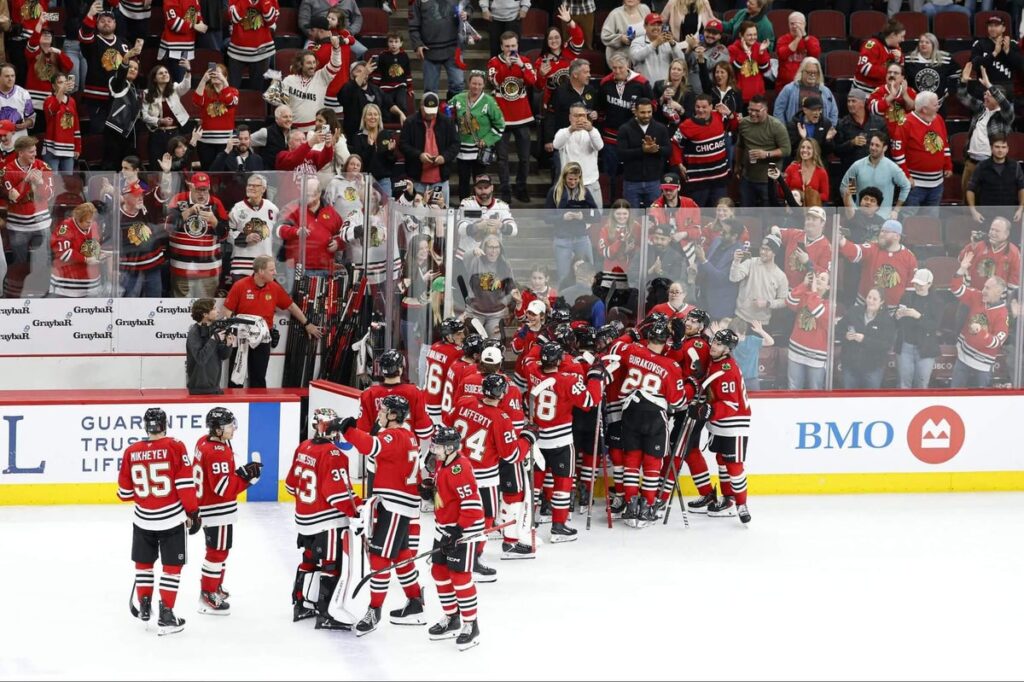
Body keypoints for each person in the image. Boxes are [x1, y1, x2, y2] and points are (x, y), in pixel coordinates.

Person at [335, 397, 427, 635]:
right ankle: (415, 603)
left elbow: (370, 446)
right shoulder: (408, 435)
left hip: (395, 505)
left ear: (394, 415)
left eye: (384, 411)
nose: (379, 414)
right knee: (401, 555)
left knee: (379, 557)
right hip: (401, 503)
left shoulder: (394, 436)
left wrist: (348, 430)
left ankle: (374, 611)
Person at [117, 408, 200, 635]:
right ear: (165, 425)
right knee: (171, 568)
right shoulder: (175, 446)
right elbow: (185, 485)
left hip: (142, 520)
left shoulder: (131, 451)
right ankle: (166, 614)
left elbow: (124, 493)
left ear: (146, 426)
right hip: (171, 520)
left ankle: (144, 606)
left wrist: (148, 498)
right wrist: (193, 512)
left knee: (143, 564)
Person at [285, 409, 360, 628]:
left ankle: (302, 605)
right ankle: (327, 613)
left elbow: (290, 486)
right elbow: (338, 494)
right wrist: (358, 508)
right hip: (328, 523)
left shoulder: (304, 446)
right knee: (331, 565)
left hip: (304, 519)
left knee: (309, 560)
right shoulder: (333, 454)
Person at [522, 342, 604, 538]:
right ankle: (558, 526)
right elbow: (590, 401)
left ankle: (526, 523)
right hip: (561, 441)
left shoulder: (532, 371)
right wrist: (595, 376)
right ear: (559, 361)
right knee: (563, 483)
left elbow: (528, 358)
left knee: (534, 485)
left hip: (537, 441)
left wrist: (542, 341)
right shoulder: (567, 381)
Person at [610, 322, 684, 527]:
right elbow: (678, 401)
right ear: (666, 341)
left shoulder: (633, 350)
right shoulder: (671, 366)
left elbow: (615, 347)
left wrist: (633, 334)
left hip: (630, 413)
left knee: (631, 461)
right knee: (652, 463)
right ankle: (647, 508)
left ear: (648, 336)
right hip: (654, 416)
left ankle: (630, 506)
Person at [421, 426, 485, 650]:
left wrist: (457, 531)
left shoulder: (461, 468)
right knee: (439, 571)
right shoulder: (442, 463)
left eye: (438, 446)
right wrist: (430, 491)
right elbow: (447, 496)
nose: (434, 449)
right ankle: (452, 618)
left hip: (464, 531)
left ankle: (471, 624)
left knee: (460, 576)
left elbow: (473, 506)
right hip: (444, 528)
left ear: (450, 448)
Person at [193, 407, 262, 614]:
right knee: (217, 553)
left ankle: (215, 587)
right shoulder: (218, 451)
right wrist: (247, 478)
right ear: (217, 429)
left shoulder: (203, 442)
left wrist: (240, 473)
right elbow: (223, 488)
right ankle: (208, 594)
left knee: (220, 551)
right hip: (217, 511)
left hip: (207, 506)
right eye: (229, 425)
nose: (233, 428)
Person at [223, 255, 322, 386]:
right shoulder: (240, 286)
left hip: (263, 337)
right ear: (260, 271)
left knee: (259, 378)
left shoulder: (274, 287)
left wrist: (307, 323)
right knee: (236, 376)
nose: (275, 272)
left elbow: (291, 306)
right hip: (242, 337)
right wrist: (234, 330)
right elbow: (227, 311)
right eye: (271, 270)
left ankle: (258, 400)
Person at [687, 328, 751, 523]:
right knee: (721, 460)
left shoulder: (727, 370)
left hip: (734, 423)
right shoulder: (715, 362)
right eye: (714, 341)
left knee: (734, 466)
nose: (714, 346)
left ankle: (741, 504)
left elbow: (731, 404)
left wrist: (707, 411)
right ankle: (727, 499)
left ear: (727, 349)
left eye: (719, 344)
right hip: (718, 423)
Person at [487, 32, 536, 205]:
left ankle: (521, 188)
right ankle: (505, 190)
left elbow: (532, 81)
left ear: (517, 45)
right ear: (501, 47)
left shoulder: (525, 61)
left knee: (524, 158)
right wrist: (505, 67)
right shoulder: (494, 62)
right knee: (502, 158)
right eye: (507, 46)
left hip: (522, 117)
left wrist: (521, 66)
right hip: (502, 118)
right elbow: (494, 82)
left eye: (513, 46)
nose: (510, 49)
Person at [597, 53, 653, 203]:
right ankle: (610, 204)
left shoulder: (642, 83)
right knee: (609, 175)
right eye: (614, 68)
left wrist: (640, 113)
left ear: (627, 65)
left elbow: (653, 106)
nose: (617, 71)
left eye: (620, 68)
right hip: (610, 138)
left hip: (633, 138)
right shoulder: (605, 83)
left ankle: (629, 205)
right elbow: (600, 109)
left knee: (631, 175)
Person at [3, 134, 53, 298]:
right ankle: (20, 293)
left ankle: (41, 293)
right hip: (18, 225)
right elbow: (14, 198)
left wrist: (39, 183)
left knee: (42, 261)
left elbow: (49, 195)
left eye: (35, 150)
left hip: (41, 223)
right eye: (31, 151)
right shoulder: (8, 170)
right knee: (20, 264)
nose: (35, 154)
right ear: (20, 152)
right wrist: (26, 180)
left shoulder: (43, 166)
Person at [958, 62, 1015, 198]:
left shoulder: (1005, 116)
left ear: (998, 98)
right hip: (971, 163)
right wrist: (963, 81)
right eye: (985, 94)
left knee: (987, 200)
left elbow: (1006, 104)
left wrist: (989, 85)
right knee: (967, 200)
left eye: (988, 95)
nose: (985, 97)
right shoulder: (981, 109)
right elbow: (962, 96)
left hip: (991, 165)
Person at [669, 93, 734, 208]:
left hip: (719, 178)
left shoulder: (719, 116)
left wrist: (729, 113)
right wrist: (679, 164)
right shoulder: (686, 126)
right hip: (698, 181)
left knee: (720, 213)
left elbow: (735, 126)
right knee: (696, 213)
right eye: (697, 107)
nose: (700, 110)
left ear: (711, 107)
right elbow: (675, 144)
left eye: (704, 107)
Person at [891, 91, 952, 212]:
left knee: (931, 221)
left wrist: (948, 165)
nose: (938, 107)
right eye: (935, 105)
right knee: (910, 220)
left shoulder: (939, 119)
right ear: (924, 109)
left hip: (937, 184)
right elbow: (897, 153)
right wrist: (906, 176)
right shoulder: (905, 122)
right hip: (914, 185)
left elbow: (944, 144)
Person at [839, 218, 919, 310]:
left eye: (886, 232)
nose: (881, 234)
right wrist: (841, 239)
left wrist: (903, 308)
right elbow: (854, 251)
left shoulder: (909, 257)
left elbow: (911, 287)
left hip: (893, 309)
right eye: (881, 231)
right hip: (865, 304)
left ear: (896, 236)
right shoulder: (873, 248)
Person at [450, 70, 505, 201]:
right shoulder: (458, 99)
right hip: (462, 150)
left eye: (479, 84)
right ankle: (464, 205)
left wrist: (487, 140)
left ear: (484, 85)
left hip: (480, 150)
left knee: (480, 183)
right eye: (474, 83)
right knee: (463, 181)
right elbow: (447, 117)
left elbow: (500, 125)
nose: (476, 87)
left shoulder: (489, 101)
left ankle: (480, 205)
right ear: (468, 83)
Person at [400, 92, 461, 207]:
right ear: (421, 107)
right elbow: (403, 145)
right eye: (428, 112)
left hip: (440, 179)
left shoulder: (447, 122)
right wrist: (419, 155)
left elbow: (456, 144)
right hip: (417, 179)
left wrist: (444, 157)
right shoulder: (410, 122)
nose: (431, 115)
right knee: (416, 213)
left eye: (433, 112)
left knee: (440, 213)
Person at [77, 3, 128, 134]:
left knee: (117, 134)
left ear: (115, 23)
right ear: (97, 24)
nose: (106, 23)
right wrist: (90, 15)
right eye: (102, 21)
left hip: (118, 97)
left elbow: (131, 67)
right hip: (96, 97)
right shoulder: (93, 41)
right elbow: (85, 35)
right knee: (99, 132)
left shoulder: (123, 43)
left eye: (109, 21)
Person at [546, 161, 598, 285]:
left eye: (576, 179)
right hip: (562, 239)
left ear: (580, 178)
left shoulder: (585, 192)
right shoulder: (554, 191)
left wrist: (583, 216)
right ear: (564, 177)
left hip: (581, 238)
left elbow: (597, 216)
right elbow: (546, 217)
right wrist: (562, 217)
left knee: (588, 274)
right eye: (570, 179)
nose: (573, 182)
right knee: (563, 276)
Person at [735, 94, 790, 208]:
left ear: (765, 110)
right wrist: (737, 165)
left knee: (767, 214)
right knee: (745, 212)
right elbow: (740, 146)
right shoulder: (744, 123)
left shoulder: (776, 126)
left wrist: (766, 154)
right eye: (750, 109)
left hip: (768, 180)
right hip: (747, 178)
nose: (753, 113)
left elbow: (786, 150)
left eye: (757, 111)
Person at [839, 133, 910, 219]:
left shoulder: (892, 168)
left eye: (877, 145)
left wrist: (896, 210)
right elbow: (845, 187)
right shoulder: (858, 166)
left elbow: (906, 185)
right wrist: (853, 208)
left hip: (884, 218)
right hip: (859, 219)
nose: (873, 148)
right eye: (872, 144)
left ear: (885, 148)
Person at [617, 97, 670, 209]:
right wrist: (642, 150)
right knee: (632, 217)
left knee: (655, 217)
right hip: (631, 182)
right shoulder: (624, 129)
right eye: (642, 112)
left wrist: (656, 149)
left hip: (654, 181)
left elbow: (668, 150)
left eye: (649, 112)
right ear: (635, 111)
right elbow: (621, 154)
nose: (646, 115)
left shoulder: (661, 128)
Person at [839, 287, 896, 389]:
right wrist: (845, 335)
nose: (870, 301)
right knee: (849, 397)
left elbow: (886, 345)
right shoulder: (854, 311)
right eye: (869, 297)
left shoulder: (887, 320)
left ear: (881, 302)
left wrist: (864, 340)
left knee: (871, 398)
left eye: (875, 299)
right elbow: (838, 329)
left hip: (873, 370)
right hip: (850, 367)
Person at [281, 37, 342, 132]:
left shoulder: (321, 77)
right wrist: (274, 88)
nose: (313, 66)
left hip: (317, 129)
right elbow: (280, 103)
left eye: (314, 62)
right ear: (301, 64)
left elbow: (335, 65)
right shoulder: (289, 80)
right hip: (294, 131)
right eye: (309, 63)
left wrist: (336, 49)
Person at [895, 268, 943, 389]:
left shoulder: (937, 302)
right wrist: (897, 316)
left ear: (929, 284)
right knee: (904, 383)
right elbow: (897, 321)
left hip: (926, 348)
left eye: (921, 285)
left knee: (922, 384)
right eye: (916, 283)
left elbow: (934, 326)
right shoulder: (906, 297)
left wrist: (918, 316)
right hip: (906, 346)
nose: (917, 287)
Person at [119, 181, 168, 297]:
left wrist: (166, 175)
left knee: (155, 298)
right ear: (125, 198)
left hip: (152, 264)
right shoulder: (117, 216)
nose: (140, 198)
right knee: (129, 301)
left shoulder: (146, 205)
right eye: (136, 195)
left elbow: (162, 192)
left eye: (141, 194)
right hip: (130, 269)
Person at [409, 0, 465, 99]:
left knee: (458, 85)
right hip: (429, 51)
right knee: (430, 91)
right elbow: (413, 25)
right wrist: (417, 44)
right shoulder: (417, 2)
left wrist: (467, 14)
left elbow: (467, 6)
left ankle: (453, 108)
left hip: (454, 49)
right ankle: (432, 109)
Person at [142, 63, 192, 171]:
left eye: (166, 72)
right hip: (157, 135)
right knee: (157, 166)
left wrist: (188, 71)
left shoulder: (174, 88)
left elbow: (186, 86)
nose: (164, 74)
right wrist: (160, 120)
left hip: (175, 135)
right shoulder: (147, 93)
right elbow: (144, 115)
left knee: (176, 165)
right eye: (160, 73)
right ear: (154, 78)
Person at [785, 269, 831, 390]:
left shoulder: (830, 305)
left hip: (817, 356)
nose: (819, 280)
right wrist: (804, 284)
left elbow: (817, 311)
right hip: (796, 350)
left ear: (828, 286)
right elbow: (789, 302)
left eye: (823, 279)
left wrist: (814, 292)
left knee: (815, 390)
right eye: (818, 277)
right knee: (793, 388)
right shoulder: (805, 295)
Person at [730, 233, 788, 327]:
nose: (763, 252)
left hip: (761, 323)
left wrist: (768, 303)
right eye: (762, 248)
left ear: (774, 253)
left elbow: (784, 301)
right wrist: (736, 262)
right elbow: (734, 278)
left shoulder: (781, 276)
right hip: (740, 317)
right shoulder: (750, 262)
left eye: (767, 249)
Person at [225, 174, 276, 282]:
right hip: (241, 266)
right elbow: (227, 233)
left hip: (264, 266)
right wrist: (245, 238)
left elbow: (275, 234)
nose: (251, 188)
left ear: (263, 189)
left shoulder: (272, 208)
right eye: (249, 185)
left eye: (255, 185)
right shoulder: (238, 208)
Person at [832, 90, 887, 188]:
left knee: (872, 196)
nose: (850, 104)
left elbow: (886, 146)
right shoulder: (842, 124)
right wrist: (851, 143)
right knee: (851, 196)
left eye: (853, 101)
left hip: (874, 172)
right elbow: (836, 150)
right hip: (851, 174)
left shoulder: (878, 122)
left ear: (862, 102)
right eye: (848, 101)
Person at [553, 102, 603, 207]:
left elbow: (599, 146)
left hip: (590, 183)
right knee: (570, 216)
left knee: (596, 215)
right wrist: (571, 129)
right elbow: (556, 145)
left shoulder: (593, 132)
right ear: (570, 117)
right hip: (570, 185)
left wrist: (590, 129)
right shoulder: (563, 132)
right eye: (576, 116)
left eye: (582, 115)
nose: (579, 119)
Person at [49, 202, 103, 298]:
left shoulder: (93, 225)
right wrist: (85, 259)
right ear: (78, 219)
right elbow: (62, 252)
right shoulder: (66, 227)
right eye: (87, 222)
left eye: (92, 221)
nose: (90, 224)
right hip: (68, 282)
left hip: (91, 280)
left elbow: (96, 244)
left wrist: (101, 254)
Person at [464, 234, 516, 337]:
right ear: (484, 248)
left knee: (494, 341)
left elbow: (511, 289)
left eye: (496, 247)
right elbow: (465, 258)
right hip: (475, 311)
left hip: (496, 314)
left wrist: (504, 303)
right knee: (474, 340)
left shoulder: (505, 265)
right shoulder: (476, 261)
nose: (493, 251)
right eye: (490, 247)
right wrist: (473, 252)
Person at [102, 42, 143, 171]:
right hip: (115, 131)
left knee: (129, 169)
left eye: (136, 69)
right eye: (130, 67)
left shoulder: (135, 89)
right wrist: (125, 59)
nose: (133, 70)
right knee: (113, 167)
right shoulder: (116, 82)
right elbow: (120, 77)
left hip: (129, 134)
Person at [193, 63, 239, 170]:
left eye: (218, 73)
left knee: (225, 172)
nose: (215, 75)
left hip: (225, 142)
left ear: (225, 76)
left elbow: (229, 101)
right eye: (213, 73)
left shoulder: (233, 91)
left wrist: (224, 83)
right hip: (205, 142)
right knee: (208, 171)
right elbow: (196, 101)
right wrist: (203, 80)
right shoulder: (205, 91)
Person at [957, 217, 1021, 294]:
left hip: (998, 297)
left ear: (1006, 234)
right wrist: (972, 246)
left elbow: (1014, 280)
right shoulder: (979, 245)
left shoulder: (1014, 252)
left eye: (997, 231)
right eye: (991, 229)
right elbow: (961, 259)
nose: (993, 233)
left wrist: (1010, 299)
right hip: (974, 294)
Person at [967, 137, 1024, 222]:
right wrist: (973, 211)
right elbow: (970, 189)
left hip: (1010, 215)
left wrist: (1020, 209)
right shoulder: (981, 166)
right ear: (991, 148)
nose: (1000, 150)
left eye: (1003, 147)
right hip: (986, 215)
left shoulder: (1015, 166)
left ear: (1007, 149)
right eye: (997, 147)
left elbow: (1022, 188)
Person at [694, 218, 742, 320]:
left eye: (724, 232)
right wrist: (696, 266)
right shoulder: (717, 241)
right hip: (704, 294)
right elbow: (707, 258)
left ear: (734, 236)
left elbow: (721, 278)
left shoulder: (739, 253)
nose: (721, 233)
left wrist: (703, 260)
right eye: (721, 230)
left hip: (720, 303)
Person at [226, 0, 279, 91]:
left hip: (262, 50)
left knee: (257, 92)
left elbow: (270, 20)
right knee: (232, 89)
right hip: (237, 50)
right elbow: (234, 18)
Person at [185, 298, 234, 394]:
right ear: (205, 314)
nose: (218, 311)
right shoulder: (194, 333)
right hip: (198, 390)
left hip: (215, 387)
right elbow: (200, 359)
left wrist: (228, 345)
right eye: (214, 309)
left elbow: (223, 356)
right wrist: (213, 339)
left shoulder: (214, 330)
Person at [629, 13, 686, 86]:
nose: (656, 27)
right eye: (653, 25)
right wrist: (655, 43)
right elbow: (636, 57)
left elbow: (681, 61)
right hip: (645, 87)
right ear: (645, 26)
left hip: (665, 87)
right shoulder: (637, 41)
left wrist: (673, 45)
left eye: (659, 25)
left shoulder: (669, 42)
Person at [852, 19, 905, 97]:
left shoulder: (896, 48)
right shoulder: (872, 45)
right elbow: (864, 68)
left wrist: (899, 60)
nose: (903, 40)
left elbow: (901, 71)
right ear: (893, 35)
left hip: (883, 92)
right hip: (865, 93)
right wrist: (890, 72)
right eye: (901, 36)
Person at [969, 15, 1021, 92]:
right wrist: (994, 53)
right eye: (990, 26)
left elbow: (1020, 66)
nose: (993, 28)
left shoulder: (1012, 44)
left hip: (1008, 85)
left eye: (996, 26)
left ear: (1003, 28)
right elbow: (975, 65)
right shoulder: (979, 44)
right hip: (985, 86)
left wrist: (1008, 52)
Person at [337, 61, 387, 142]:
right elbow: (350, 90)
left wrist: (400, 113)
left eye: (365, 71)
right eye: (359, 71)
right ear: (351, 74)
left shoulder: (375, 89)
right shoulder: (347, 88)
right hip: (354, 135)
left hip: (374, 133)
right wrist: (364, 72)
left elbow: (388, 103)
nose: (364, 74)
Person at [867, 62, 918, 140]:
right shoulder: (879, 91)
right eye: (889, 72)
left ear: (902, 78)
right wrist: (891, 96)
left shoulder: (910, 91)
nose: (892, 75)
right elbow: (872, 109)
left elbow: (915, 109)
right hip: (884, 136)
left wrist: (905, 95)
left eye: (896, 73)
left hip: (905, 135)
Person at [40, 73, 79, 173]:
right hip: (52, 149)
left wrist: (78, 147)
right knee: (52, 180)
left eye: (65, 82)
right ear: (53, 86)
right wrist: (61, 91)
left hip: (68, 149)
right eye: (60, 82)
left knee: (67, 180)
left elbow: (76, 126)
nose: (63, 85)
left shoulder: (72, 101)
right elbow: (53, 109)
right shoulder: (48, 100)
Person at [905, 33, 957, 106]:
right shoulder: (909, 59)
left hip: (938, 103)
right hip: (915, 103)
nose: (923, 44)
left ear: (934, 45)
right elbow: (902, 76)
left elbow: (956, 74)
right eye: (921, 42)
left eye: (927, 42)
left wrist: (949, 90)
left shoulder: (946, 60)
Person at [159, 0, 207, 81]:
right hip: (174, 49)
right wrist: (194, 26)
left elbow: (192, 15)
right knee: (179, 83)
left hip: (187, 47)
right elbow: (173, 23)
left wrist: (200, 22)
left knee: (185, 82)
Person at [372, 33, 414, 121]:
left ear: (401, 43)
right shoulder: (382, 55)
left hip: (400, 86)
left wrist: (410, 87)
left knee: (401, 103)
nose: (393, 44)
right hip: (386, 87)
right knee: (386, 105)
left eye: (396, 41)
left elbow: (407, 73)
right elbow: (378, 72)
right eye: (391, 41)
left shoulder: (404, 56)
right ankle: (388, 120)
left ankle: (402, 120)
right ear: (387, 43)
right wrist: (375, 87)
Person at [599, 0, 651, 68]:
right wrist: (621, 39)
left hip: (643, 55)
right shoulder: (615, 14)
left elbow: (651, 28)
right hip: (622, 60)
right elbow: (605, 36)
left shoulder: (645, 9)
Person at [728, 21, 770, 104]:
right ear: (741, 35)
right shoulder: (732, 49)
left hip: (758, 96)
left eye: (755, 34)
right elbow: (733, 70)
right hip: (740, 97)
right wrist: (745, 52)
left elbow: (764, 69)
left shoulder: (759, 47)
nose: (753, 37)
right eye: (749, 35)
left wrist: (761, 53)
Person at [775, 12, 819, 88]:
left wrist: (804, 37)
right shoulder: (782, 39)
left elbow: (815, 55)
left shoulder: (812, 40)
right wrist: (798, 38)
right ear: (788, 25)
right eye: (792, 24)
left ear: (804, 24)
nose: (794, 26)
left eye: (798, 24)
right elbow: (782, 55)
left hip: (806, 86)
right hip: (785, 86)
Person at [784, 138, 829, 206]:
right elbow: (781, 192)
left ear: (815, 151)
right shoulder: (791, 168)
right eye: (802, 147)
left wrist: (807, 196)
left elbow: (825, 196)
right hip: (792, 207)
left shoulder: (821, 172)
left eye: (809, 148)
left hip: (812, 208)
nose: (804, 150)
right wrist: (796, 194)